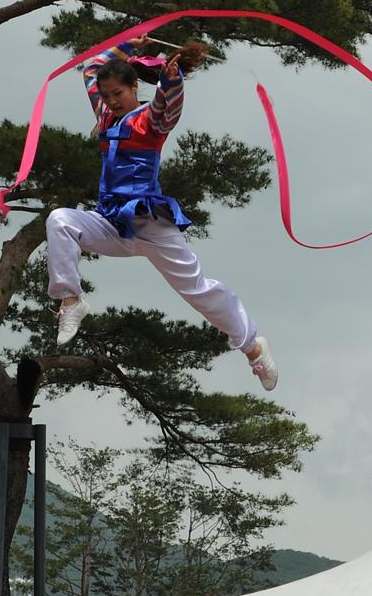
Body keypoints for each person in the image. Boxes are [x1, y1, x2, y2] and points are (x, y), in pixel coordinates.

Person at [45, 41, 277, 390]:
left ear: (135, 86)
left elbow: (166, 108)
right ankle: (71, 300)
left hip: (150, 223)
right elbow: (91, 69)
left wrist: (172, 81)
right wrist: (126, 46)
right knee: (60, 220)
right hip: (111, 224)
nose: (109, 101)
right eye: (105, 95)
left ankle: (253, 347)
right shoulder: (106, 116)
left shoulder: (148, 121)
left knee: (197, 290)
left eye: (117, 93)